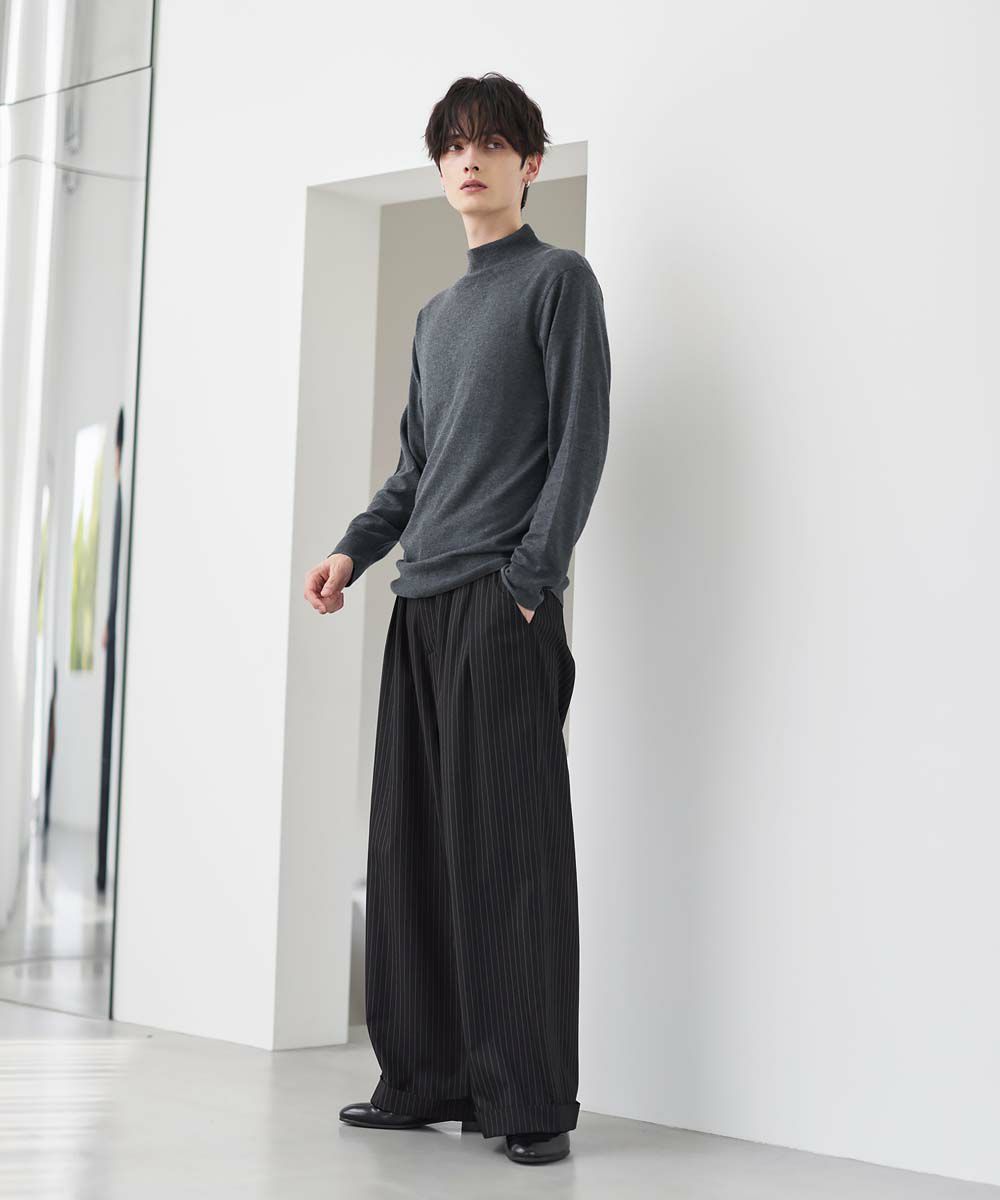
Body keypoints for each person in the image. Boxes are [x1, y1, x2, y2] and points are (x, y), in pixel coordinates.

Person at [303, 72, 611, 1168]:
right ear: (440, 167)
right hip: (419, 606)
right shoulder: (438, 317)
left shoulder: (558, 283)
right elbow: (414, 472)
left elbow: (579, 443)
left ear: (530, 163)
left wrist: (530, 581)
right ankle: (422, 1079)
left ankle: (529, 1099)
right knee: (412, 854)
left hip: (499, 604)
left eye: (491, 143)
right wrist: (353, 550)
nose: (470, 160)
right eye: (453, 146)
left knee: (510, 855)